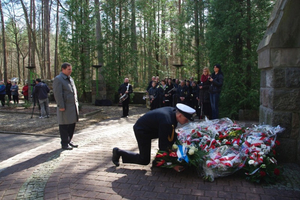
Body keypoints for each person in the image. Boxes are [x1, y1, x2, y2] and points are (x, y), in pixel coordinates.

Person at [112, 103, 196, 167]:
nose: (187, 122)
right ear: (180, 115)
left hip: (151, 128)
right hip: (142, 130)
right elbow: (163, 145)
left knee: (170, 140)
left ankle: (157, 160)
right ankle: (118, 152)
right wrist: (167, 161)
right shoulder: (167, 121)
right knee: (144, 160)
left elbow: (171, 133)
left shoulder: (173, 113)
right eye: (186, 119)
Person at [53, 62, 79, 150]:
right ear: (63, 69)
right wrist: (61, 106)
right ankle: (64, 143)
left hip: (73, 106)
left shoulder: (70, 79)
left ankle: (69, 140)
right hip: (65, 106)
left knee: (72, 123)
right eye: (68, 69)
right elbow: (58, 94)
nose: (70, 71)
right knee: (64, 125)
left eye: (71, 69)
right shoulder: (58, 79)